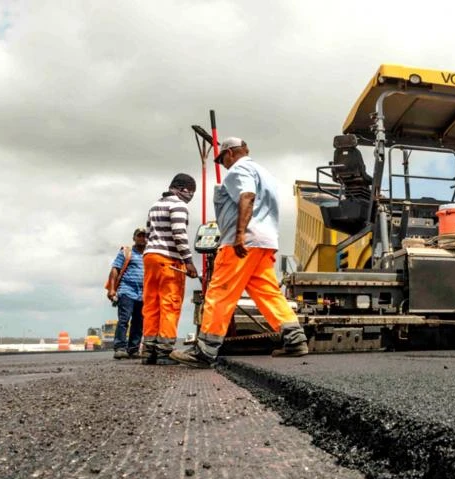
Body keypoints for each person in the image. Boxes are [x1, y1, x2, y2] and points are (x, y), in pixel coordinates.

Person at [171, 137, 309, 368]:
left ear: (231, 153)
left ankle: (205, 350)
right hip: (265, 242)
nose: (223, 164)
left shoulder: (238, 170)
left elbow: (247, 196)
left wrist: (239, 235)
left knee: (219, 292)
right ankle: (295, 339)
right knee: (267, 292)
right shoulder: (265, 173)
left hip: (243, 243)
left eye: (222, 158)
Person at [142, 174, 199, 364]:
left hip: (150, 257)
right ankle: (165, 352)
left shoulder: (155, 205)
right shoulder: (179, 206)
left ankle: (148, 351)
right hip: (169, 260)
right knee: (170, 304)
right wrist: (189, 261)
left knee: (151, 304)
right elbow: (179, 234)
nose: (191, 196)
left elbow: (149, 233)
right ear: (183, 189)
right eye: (191, 191)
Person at [106, 228, 147, 359]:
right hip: (126, 291)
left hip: (143, 293)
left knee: (139, 321)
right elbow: (115, 270)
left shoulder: (149, 255)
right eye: (139, 236)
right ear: (134, 238)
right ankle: (120, 347)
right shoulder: (126, 252)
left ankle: (133, 349)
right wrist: (112, 289)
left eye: (145, 236)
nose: (142, 238)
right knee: (124, 319)